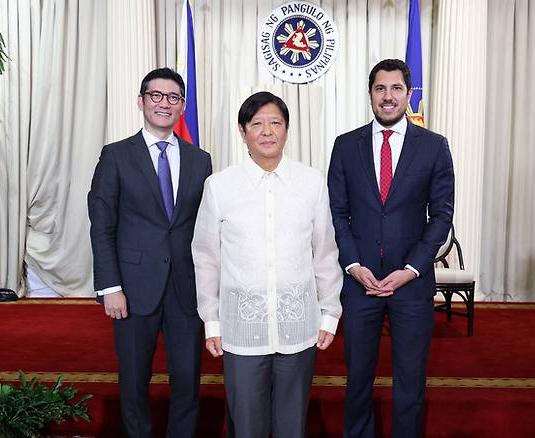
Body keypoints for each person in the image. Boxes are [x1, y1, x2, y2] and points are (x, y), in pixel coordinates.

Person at [192, 91, 343, 438]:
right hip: (241, 330)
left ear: (287, 130)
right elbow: (205, 258)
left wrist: (330, 312)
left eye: (275, 122)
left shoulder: (312, 184)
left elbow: (325, 252)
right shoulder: (219, 187)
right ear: (243, 131)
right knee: (247, 427)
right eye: (257, 124)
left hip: (298, 327)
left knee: (292, 427)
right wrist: (211, 321)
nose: (267, 131)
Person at [327, 59, 455, 438]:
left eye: (396, 88)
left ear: (409, 94)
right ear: (370, 95)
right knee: (357, 381)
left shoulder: (434, 146)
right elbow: (337, 212)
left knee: (410, 382)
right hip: (360, 282)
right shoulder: (345, 145)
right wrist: (352, 264)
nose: (388, 96)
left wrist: (411, 269)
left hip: (412, 284)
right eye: (380, 89)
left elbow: (441, 216)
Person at [88, 67, 212, 438]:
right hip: (132, 287)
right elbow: (102, 225)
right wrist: (110, 287)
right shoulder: (115, 156)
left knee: (188, 379)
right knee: (134, 379)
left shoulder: (199, 159)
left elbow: (205, 227)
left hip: (185, 288)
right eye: (155, 96)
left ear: (182, 107)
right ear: (140, 101)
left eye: (173, 97)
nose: (164, 104)